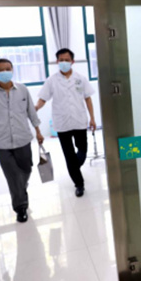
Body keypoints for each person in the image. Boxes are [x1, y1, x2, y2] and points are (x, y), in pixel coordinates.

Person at [0, 58, 44, 223]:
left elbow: (31, 112)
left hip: (23, 139)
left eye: (8, 69)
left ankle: (20, 190)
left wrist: (38, 132)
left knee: (26, 170)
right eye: (1, 70)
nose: (5, 72)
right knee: (13, 176)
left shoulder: (23, 90)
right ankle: (20, 208)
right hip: (1, 143)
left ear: (12, 70)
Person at [36, 48, 96, 197]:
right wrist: (36, 108)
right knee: (69, 154)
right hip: (62, 123)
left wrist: (92, 118)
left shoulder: (80, 79)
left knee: (82, 150)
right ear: (57, 61)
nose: (64, 62)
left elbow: (87, 98)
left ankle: (73, 167)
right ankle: (79, 184)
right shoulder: (51, 80)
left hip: (79, 120)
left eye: (67, 60)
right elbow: (43, 98)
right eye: (61, 60)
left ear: (72, 61)